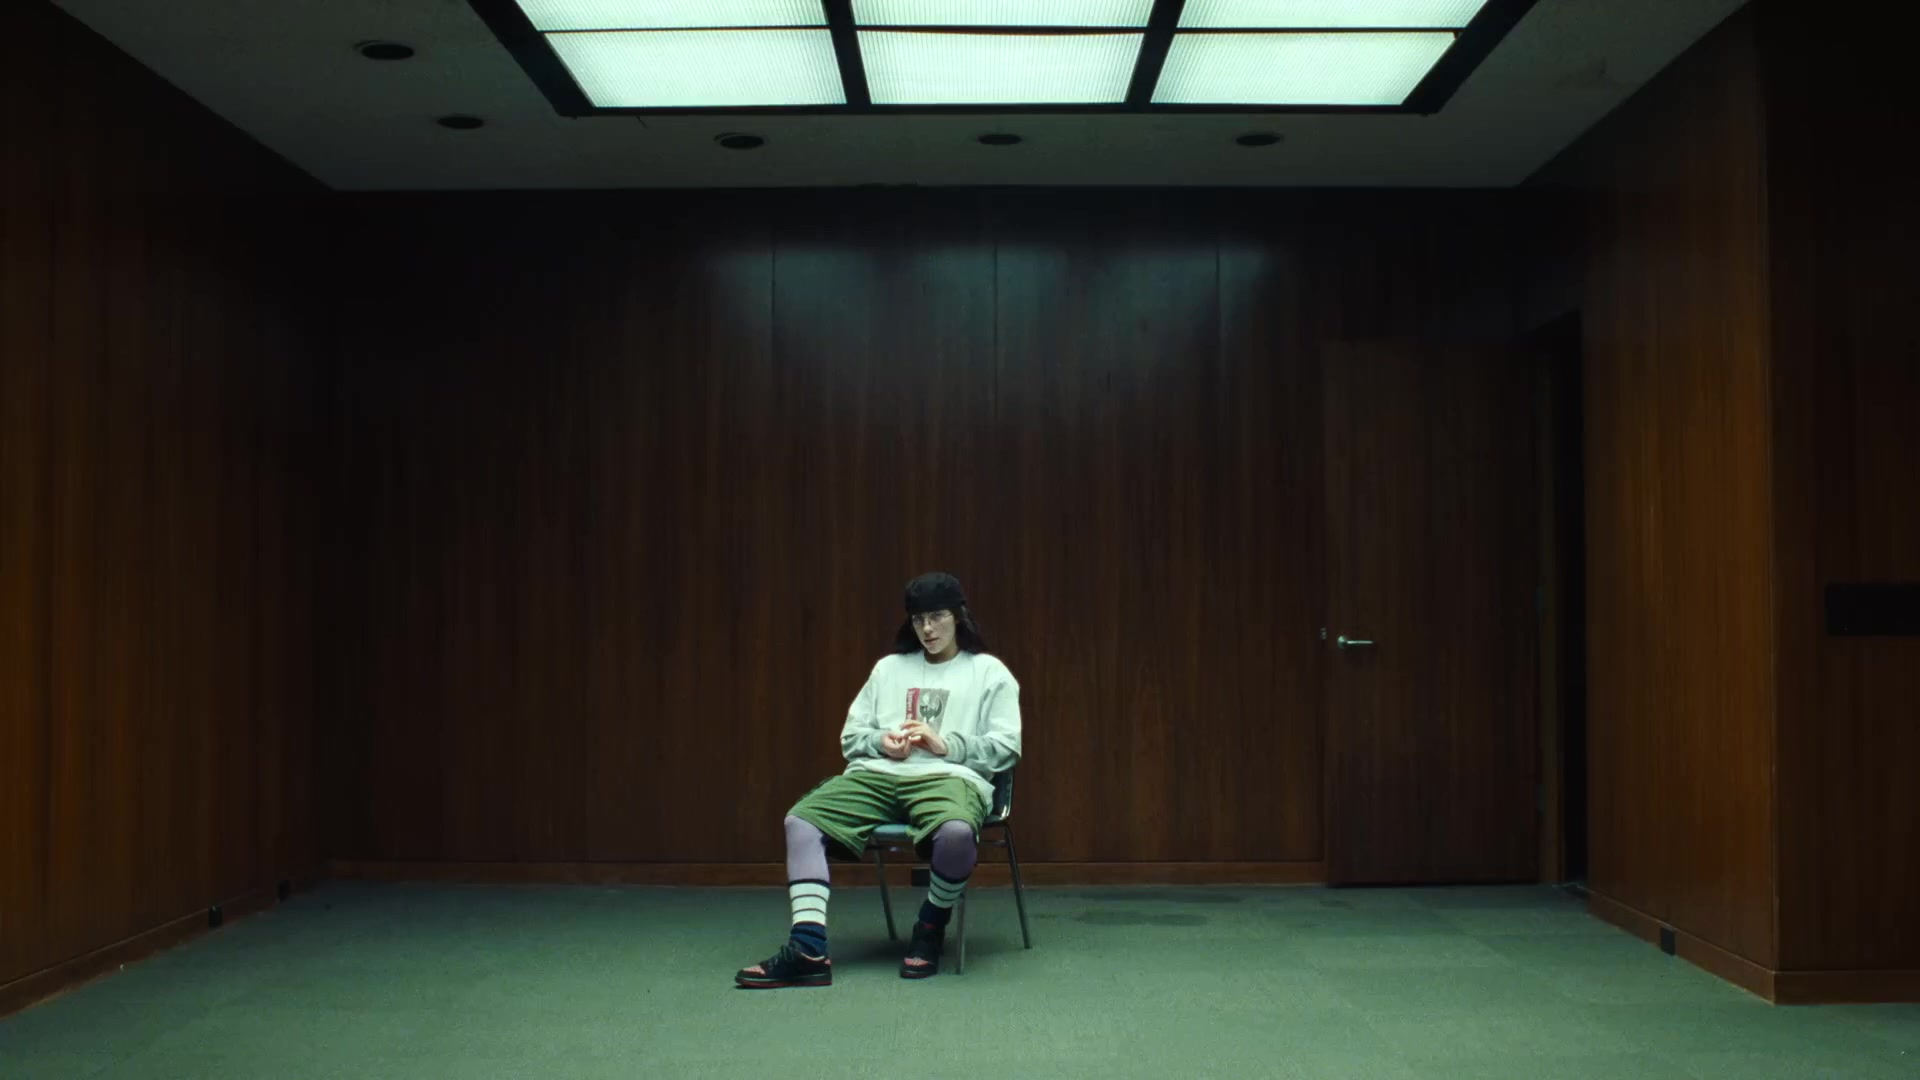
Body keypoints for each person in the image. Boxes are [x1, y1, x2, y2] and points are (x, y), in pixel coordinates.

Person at [735, 572, 1021, 987]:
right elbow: (851, 738)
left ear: (958, 616)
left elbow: (1006, 747)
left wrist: (947, 745)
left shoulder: (988, 672)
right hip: (878, 775)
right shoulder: (889, 669)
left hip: (950, 778)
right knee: (802, 821)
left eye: (937, 617)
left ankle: (930, 927)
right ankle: (808, 949)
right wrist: (880, 742)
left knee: (957, 834)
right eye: (918, 619)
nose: (927, 628)